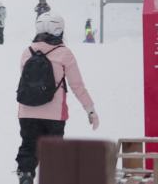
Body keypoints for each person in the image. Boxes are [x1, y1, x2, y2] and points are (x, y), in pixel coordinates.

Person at [15, 12, 99, 184]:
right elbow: (77, 86)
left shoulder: (27, 52)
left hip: (27, 111)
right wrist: (90, 110)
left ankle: (25, 175)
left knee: (28, 147)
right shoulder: (64, 53)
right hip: (54, 114)